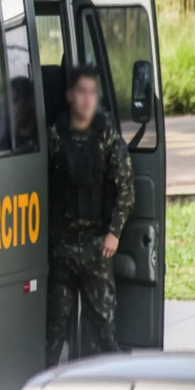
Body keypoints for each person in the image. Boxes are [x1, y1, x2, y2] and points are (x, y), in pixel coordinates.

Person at [45, 65, 135, 367]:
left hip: (97, 247)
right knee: (53, 333)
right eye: (81, 92)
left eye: (92, 93)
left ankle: (112, 386)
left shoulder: (106, 137)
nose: (87, 100)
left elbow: (126, 189)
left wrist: (114, 232)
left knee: (104, 331)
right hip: (63, 248)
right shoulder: (55, 138)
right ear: (70, 95)